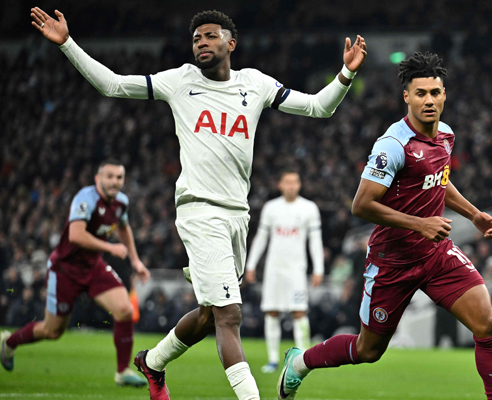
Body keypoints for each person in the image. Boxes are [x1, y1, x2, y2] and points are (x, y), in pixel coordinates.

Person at [28, 6, 366, 400]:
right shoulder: (180, 81)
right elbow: (114, 85)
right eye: (195, 38)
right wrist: (67, 43)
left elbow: (318, 107)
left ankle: (152, 362)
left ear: (230, 43)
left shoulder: (254, 84)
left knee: (208, 315)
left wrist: (346, 74)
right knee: (230, 315)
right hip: (199, 210)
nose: (201, 43)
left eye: (209, 36)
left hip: (237, 214)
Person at [277, 52, 492, 400]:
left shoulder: (445, 135)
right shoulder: (393, 145)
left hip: (437, 255)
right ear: (407, 97)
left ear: (445, 94)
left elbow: (439, 182)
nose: (428, 100)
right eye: (420, 93)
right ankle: (301, 363)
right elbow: (362, 204)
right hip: (393, 261)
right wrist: (419, 224)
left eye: (435, 92)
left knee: (488, 323)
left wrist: (472, 214)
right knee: (368, 350)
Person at [0, 159, 151, 387]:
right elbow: (76, 235)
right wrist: (110, 248)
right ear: (97, 179)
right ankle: (9, 342)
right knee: (52, 331)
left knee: (124, 310)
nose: (114, 182)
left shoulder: (121, 202)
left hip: (93, 266)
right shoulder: (86, 198)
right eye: (109, 176)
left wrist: (136, 260)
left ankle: (122, 371)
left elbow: (124, 228)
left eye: (119, 177)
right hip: (65, 270)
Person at [245, 170, 325, 373]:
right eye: (287, 182)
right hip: (274, 270)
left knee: (299, 311)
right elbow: (262, 238)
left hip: (296, 270)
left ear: (299, 185)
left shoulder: (309, 208)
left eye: (295, 182)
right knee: (272, 311)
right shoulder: (271, 208)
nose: (291, 185)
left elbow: (315, 241)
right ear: (280, 184)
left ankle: (304, 358)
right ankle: (272, 360)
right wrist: (251, 264)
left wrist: (318, 268)